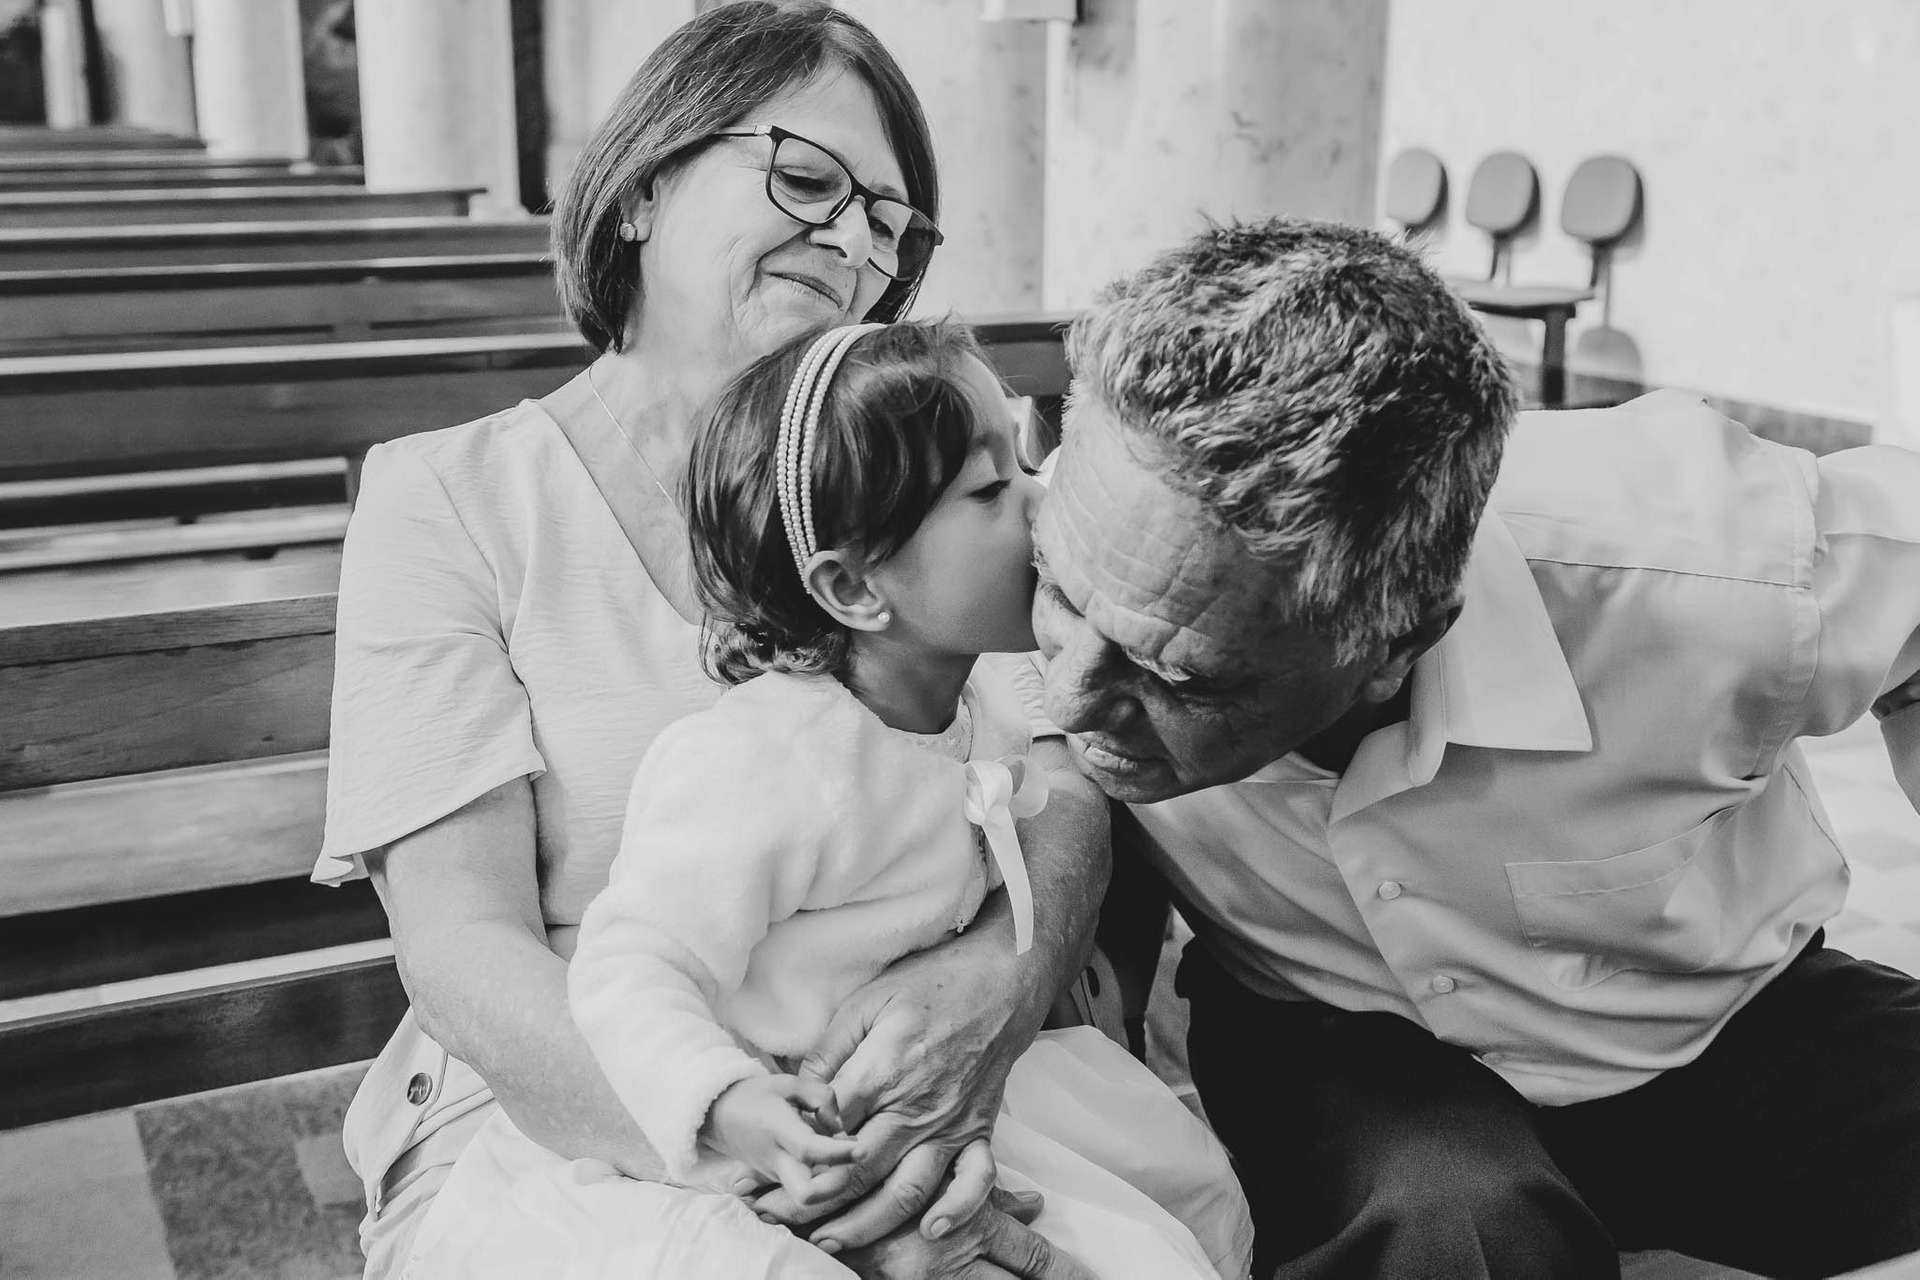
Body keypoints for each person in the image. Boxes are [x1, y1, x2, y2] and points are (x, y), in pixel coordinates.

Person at [312, 7, 1110, 1277]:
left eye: (890, 222)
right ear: (642, 185)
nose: (853, 240)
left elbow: (1062, 775)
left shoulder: (920, 480)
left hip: (917, 1074)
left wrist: (995, 986)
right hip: (569, 1123)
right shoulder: (448, 497)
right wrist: (799, 1168)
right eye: (809, 179)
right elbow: (465, 948)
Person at [1029, 216, 1920, 1279]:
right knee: (1457, 1236)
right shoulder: (1080, 520)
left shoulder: (1713, 568)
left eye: (1177, 676)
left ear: (1395, 645)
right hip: (1332, 1031)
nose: (1073, 694)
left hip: (1721, 1013)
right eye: (1057, 594)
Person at [401, 322, 1253, 1280]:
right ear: (852, 586)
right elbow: (628, 965)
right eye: (990, 490)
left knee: (1175, 1210)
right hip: (755, 1129)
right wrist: (724, 1103)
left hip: (927, 1083)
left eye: (1024, 464)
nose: (1042, 502)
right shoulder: (764, 762)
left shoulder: (981, 707)